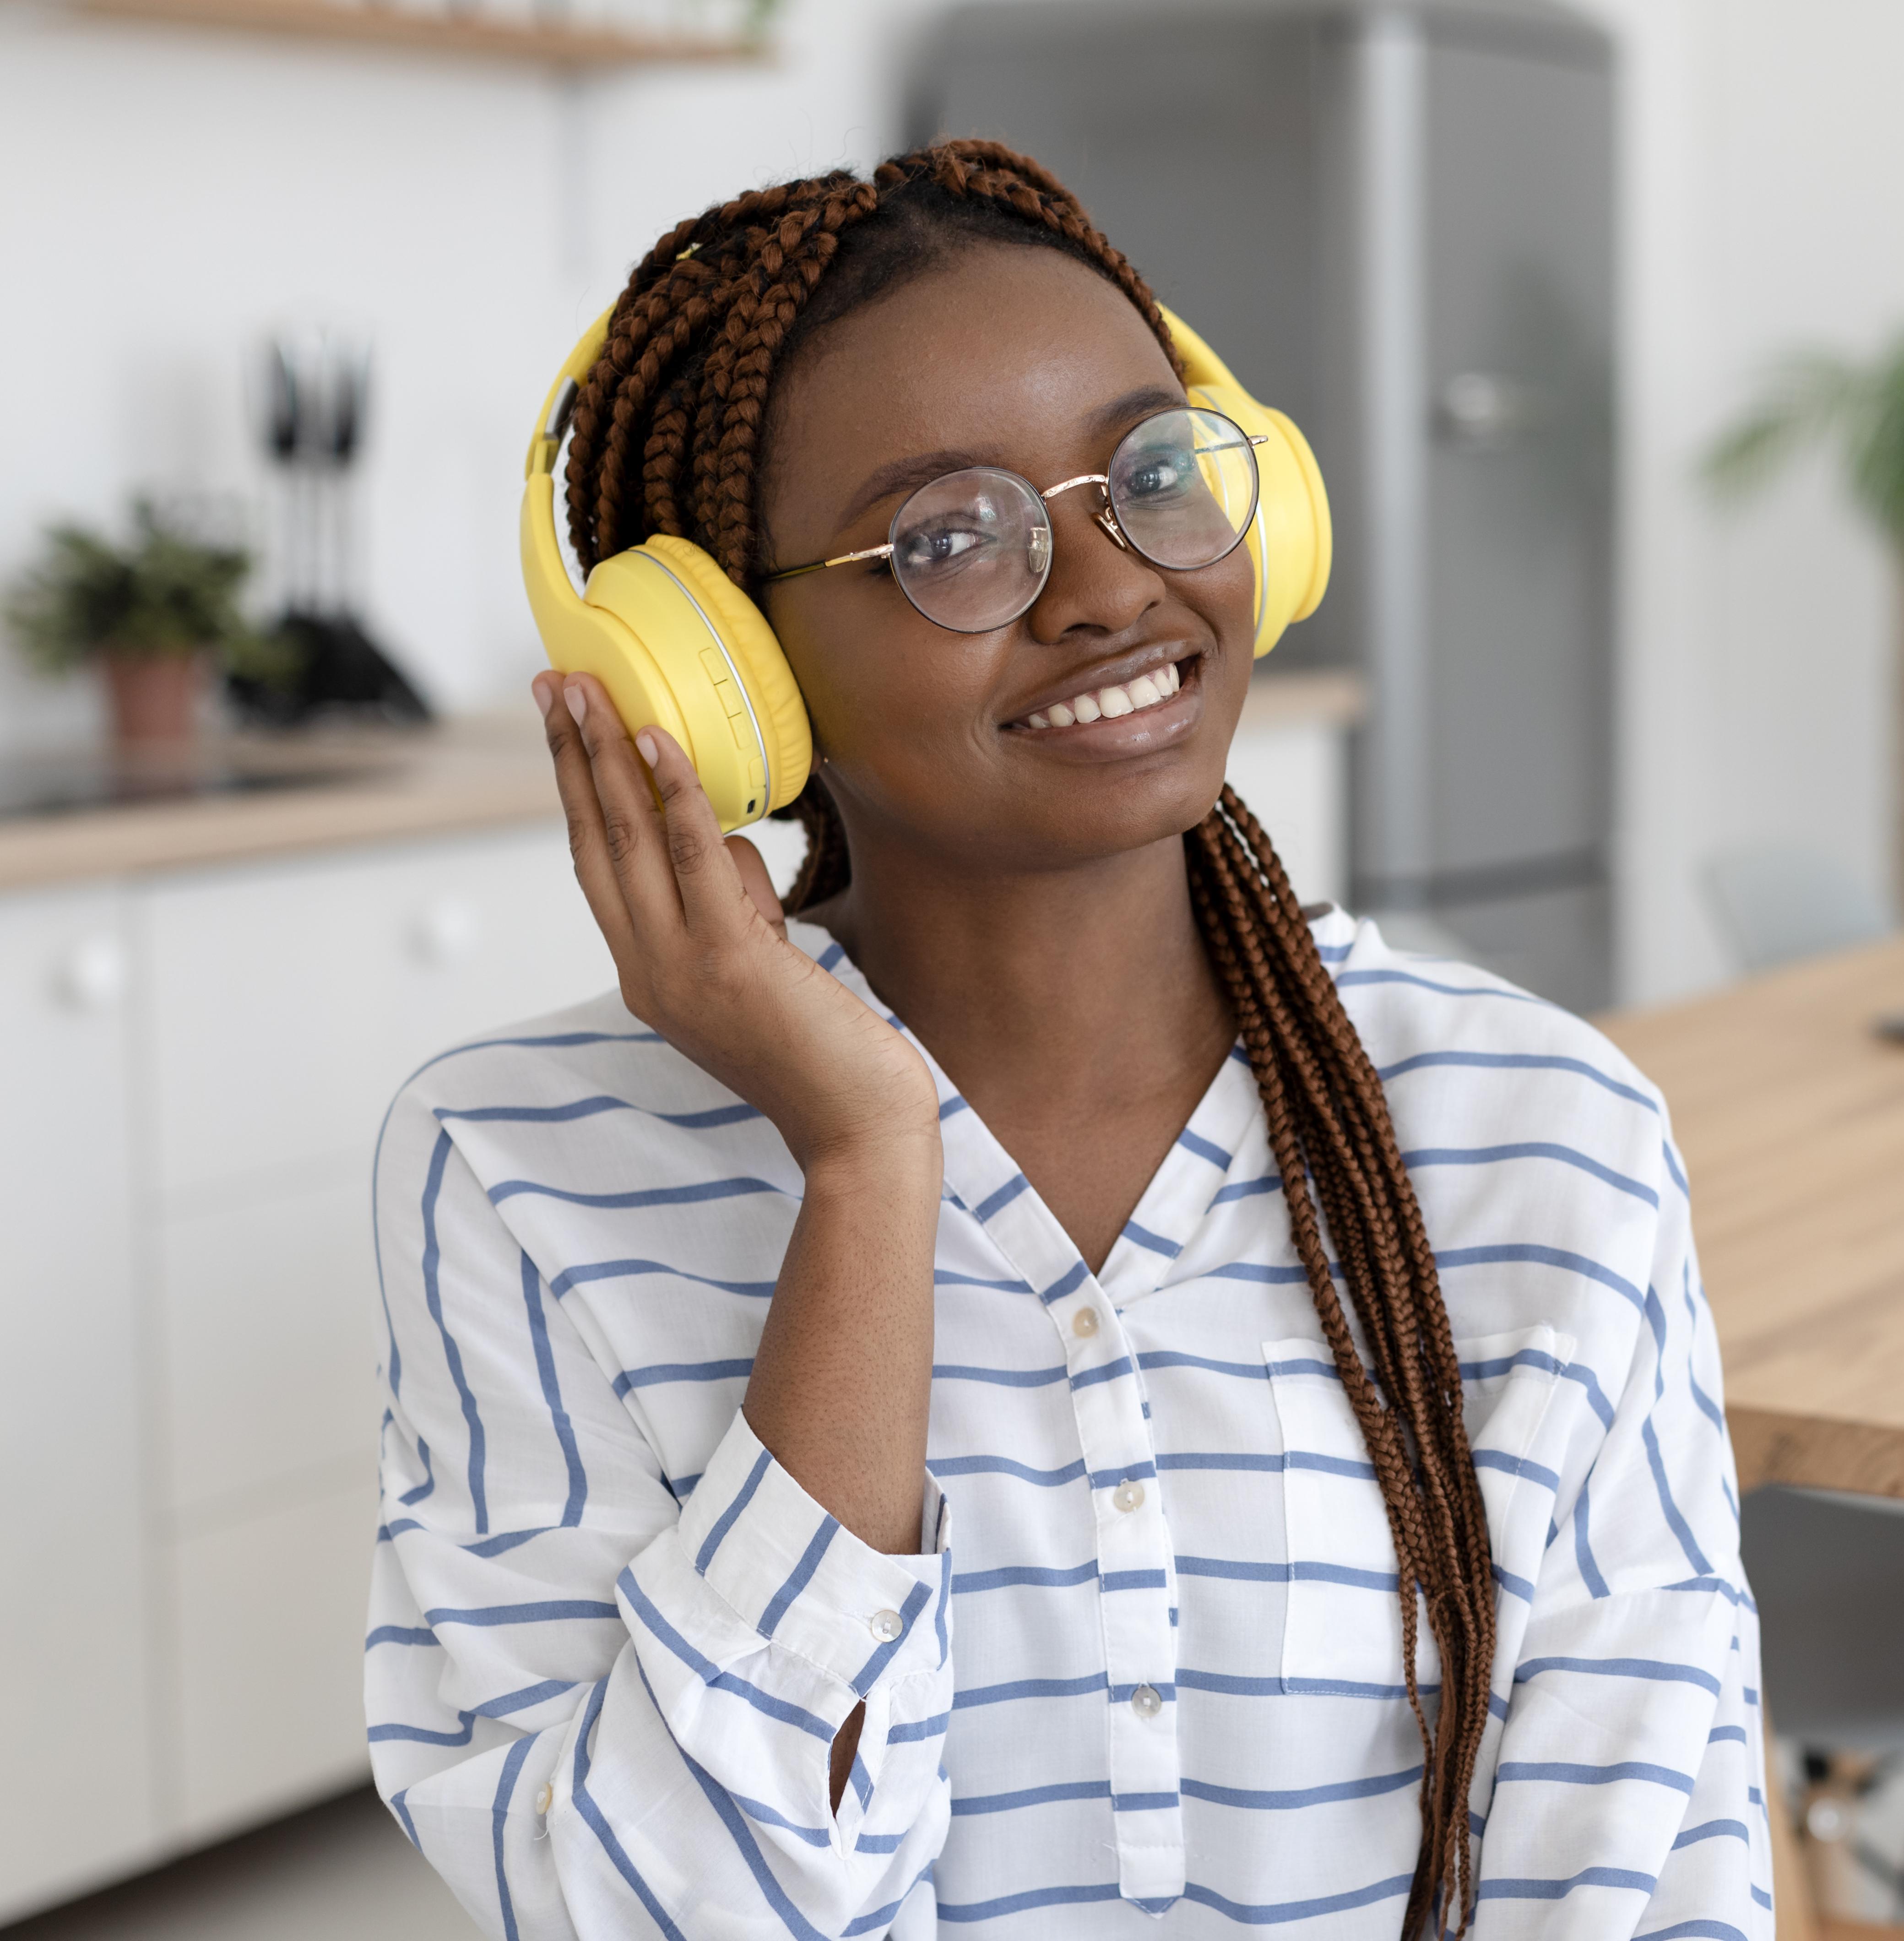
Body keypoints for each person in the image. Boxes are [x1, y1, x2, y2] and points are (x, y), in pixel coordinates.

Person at [362, 141, 1764, 1940]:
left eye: (1156, 472)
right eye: (949, 536)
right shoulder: (519, 1173)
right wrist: (868, 1171)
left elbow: (1646, 1876)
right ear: (725, 674)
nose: (1112, 589)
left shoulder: (1550, 1136)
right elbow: (658, 1909)